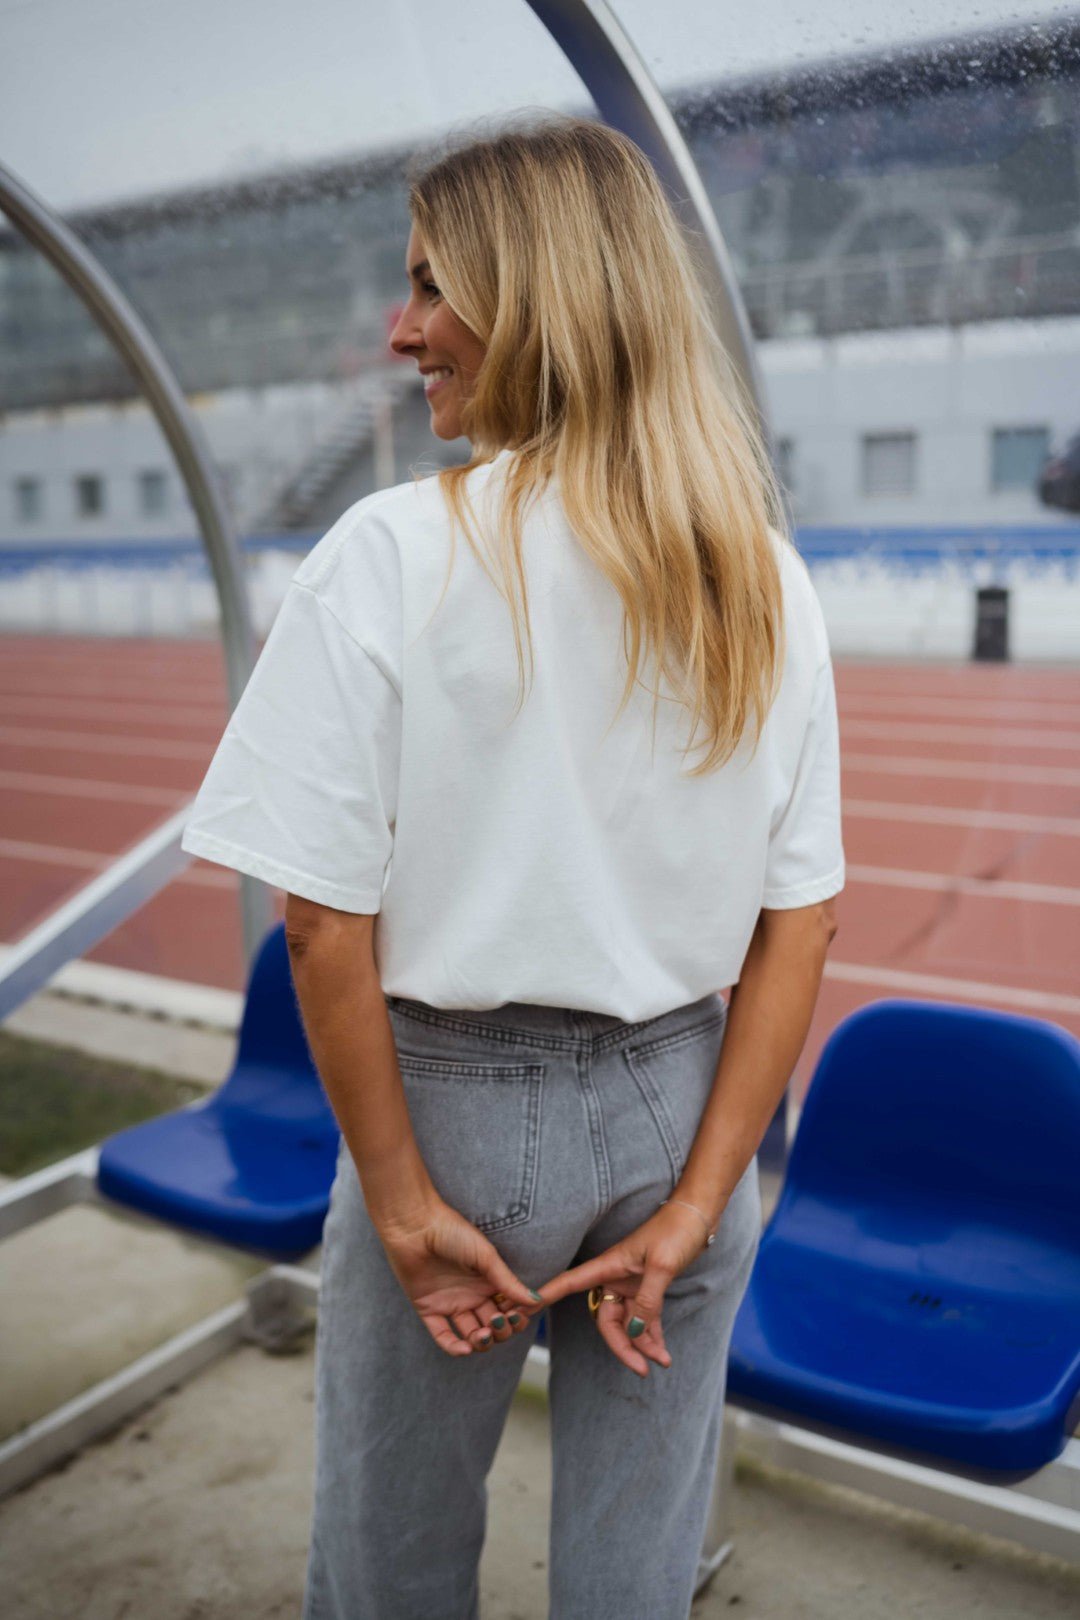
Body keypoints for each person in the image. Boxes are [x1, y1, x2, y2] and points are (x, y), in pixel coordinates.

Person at [180, 113, 844, 1620]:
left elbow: (322, 929)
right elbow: (798, 917)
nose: (402, 330)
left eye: (432, 284)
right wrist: (696, 1200)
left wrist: (408, 1205)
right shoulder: (758, 575)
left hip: (451, 1103)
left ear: (543, 294)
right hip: (685, 1104)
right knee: (637, 1557)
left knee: (391, 1548)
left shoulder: (392, 554)